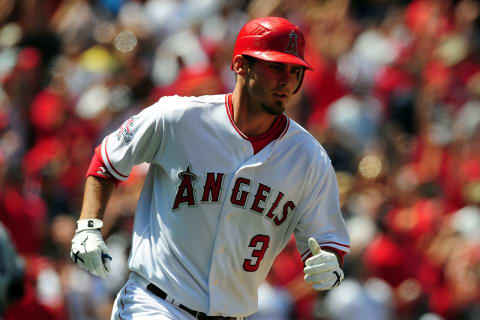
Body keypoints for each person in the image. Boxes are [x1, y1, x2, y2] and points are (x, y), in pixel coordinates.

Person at [70, 17, 350, 320]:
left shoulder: (309, 157)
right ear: (241, 65)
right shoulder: (179, 118)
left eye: (295, 71)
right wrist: (88, 225)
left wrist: (330, 264)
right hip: (155, 304)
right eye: (276, 67)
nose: (287, 80)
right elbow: (108, 157)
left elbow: (327, 241)